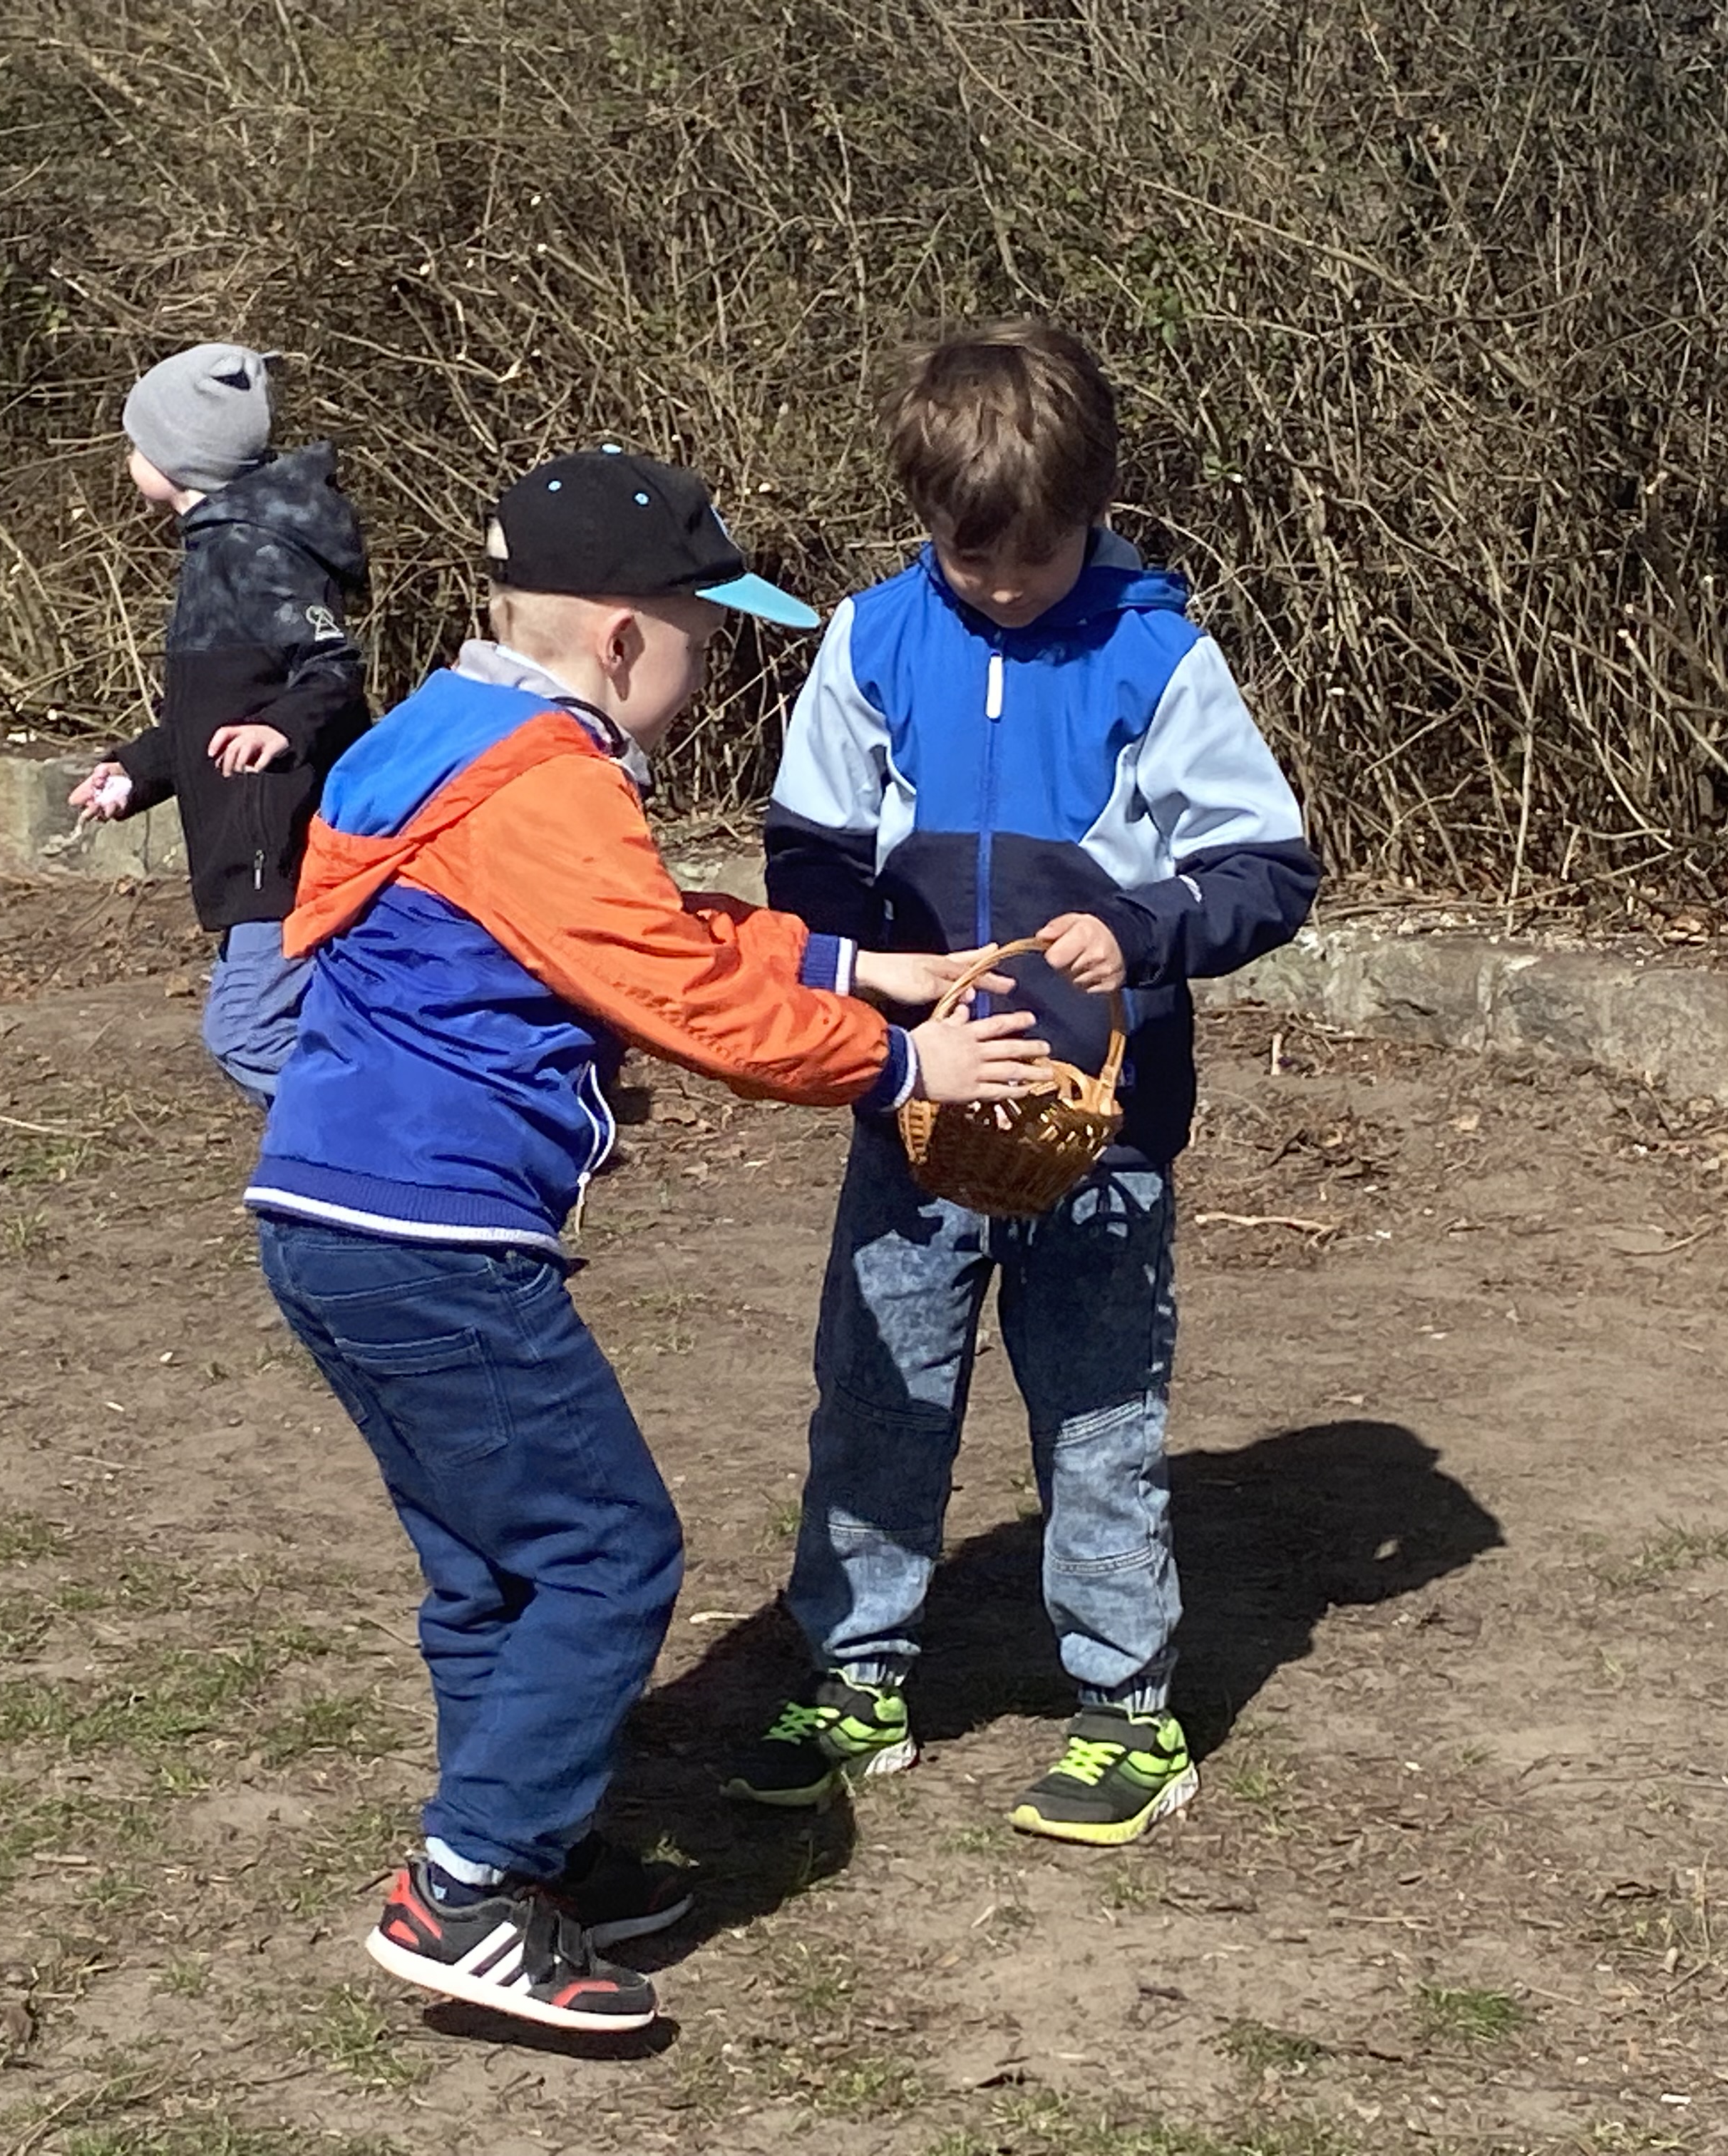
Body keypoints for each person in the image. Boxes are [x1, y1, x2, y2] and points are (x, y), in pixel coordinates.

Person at [247, 447, 1052, 2031]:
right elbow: (678, 994)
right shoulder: (545, 783)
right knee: (609, 1553)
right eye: (702, 632)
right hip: (433, 1235)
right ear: (623, 636)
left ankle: (524, 1847)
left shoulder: (446, 734)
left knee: (493, 1564)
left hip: (332, 1216)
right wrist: (905, 1063)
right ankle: (471, 1884)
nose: (710, 664)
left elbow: (649, 928)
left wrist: (857, 964)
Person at [730, 319, 1324, 1847]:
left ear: (1094, 506)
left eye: (1036, 556)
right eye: (968, 555)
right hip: (915, 1102)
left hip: (1097, 1133)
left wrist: (1142, 930)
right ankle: (855, 1676)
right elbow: (810, 851)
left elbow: (1265, 868)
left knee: (1100, 1413)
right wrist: (873, 989)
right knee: (878, 1391)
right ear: (924, 516)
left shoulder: (1157, 653)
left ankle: (1128, 1706)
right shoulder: (870, 639)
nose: (1001, 585)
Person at [69, 342, 369, 1102]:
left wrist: (282, 726)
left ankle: (379, 1137)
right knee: (294, 1021)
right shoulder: (216, 548)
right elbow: (210, 713)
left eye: (137, 443)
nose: (128, 457)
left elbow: (333, 665)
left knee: (246, 1031)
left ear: (179, 460)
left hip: (285, 844)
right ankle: (346, 1141)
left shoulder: (251, 551)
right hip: (254, 844)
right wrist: (137, 771)